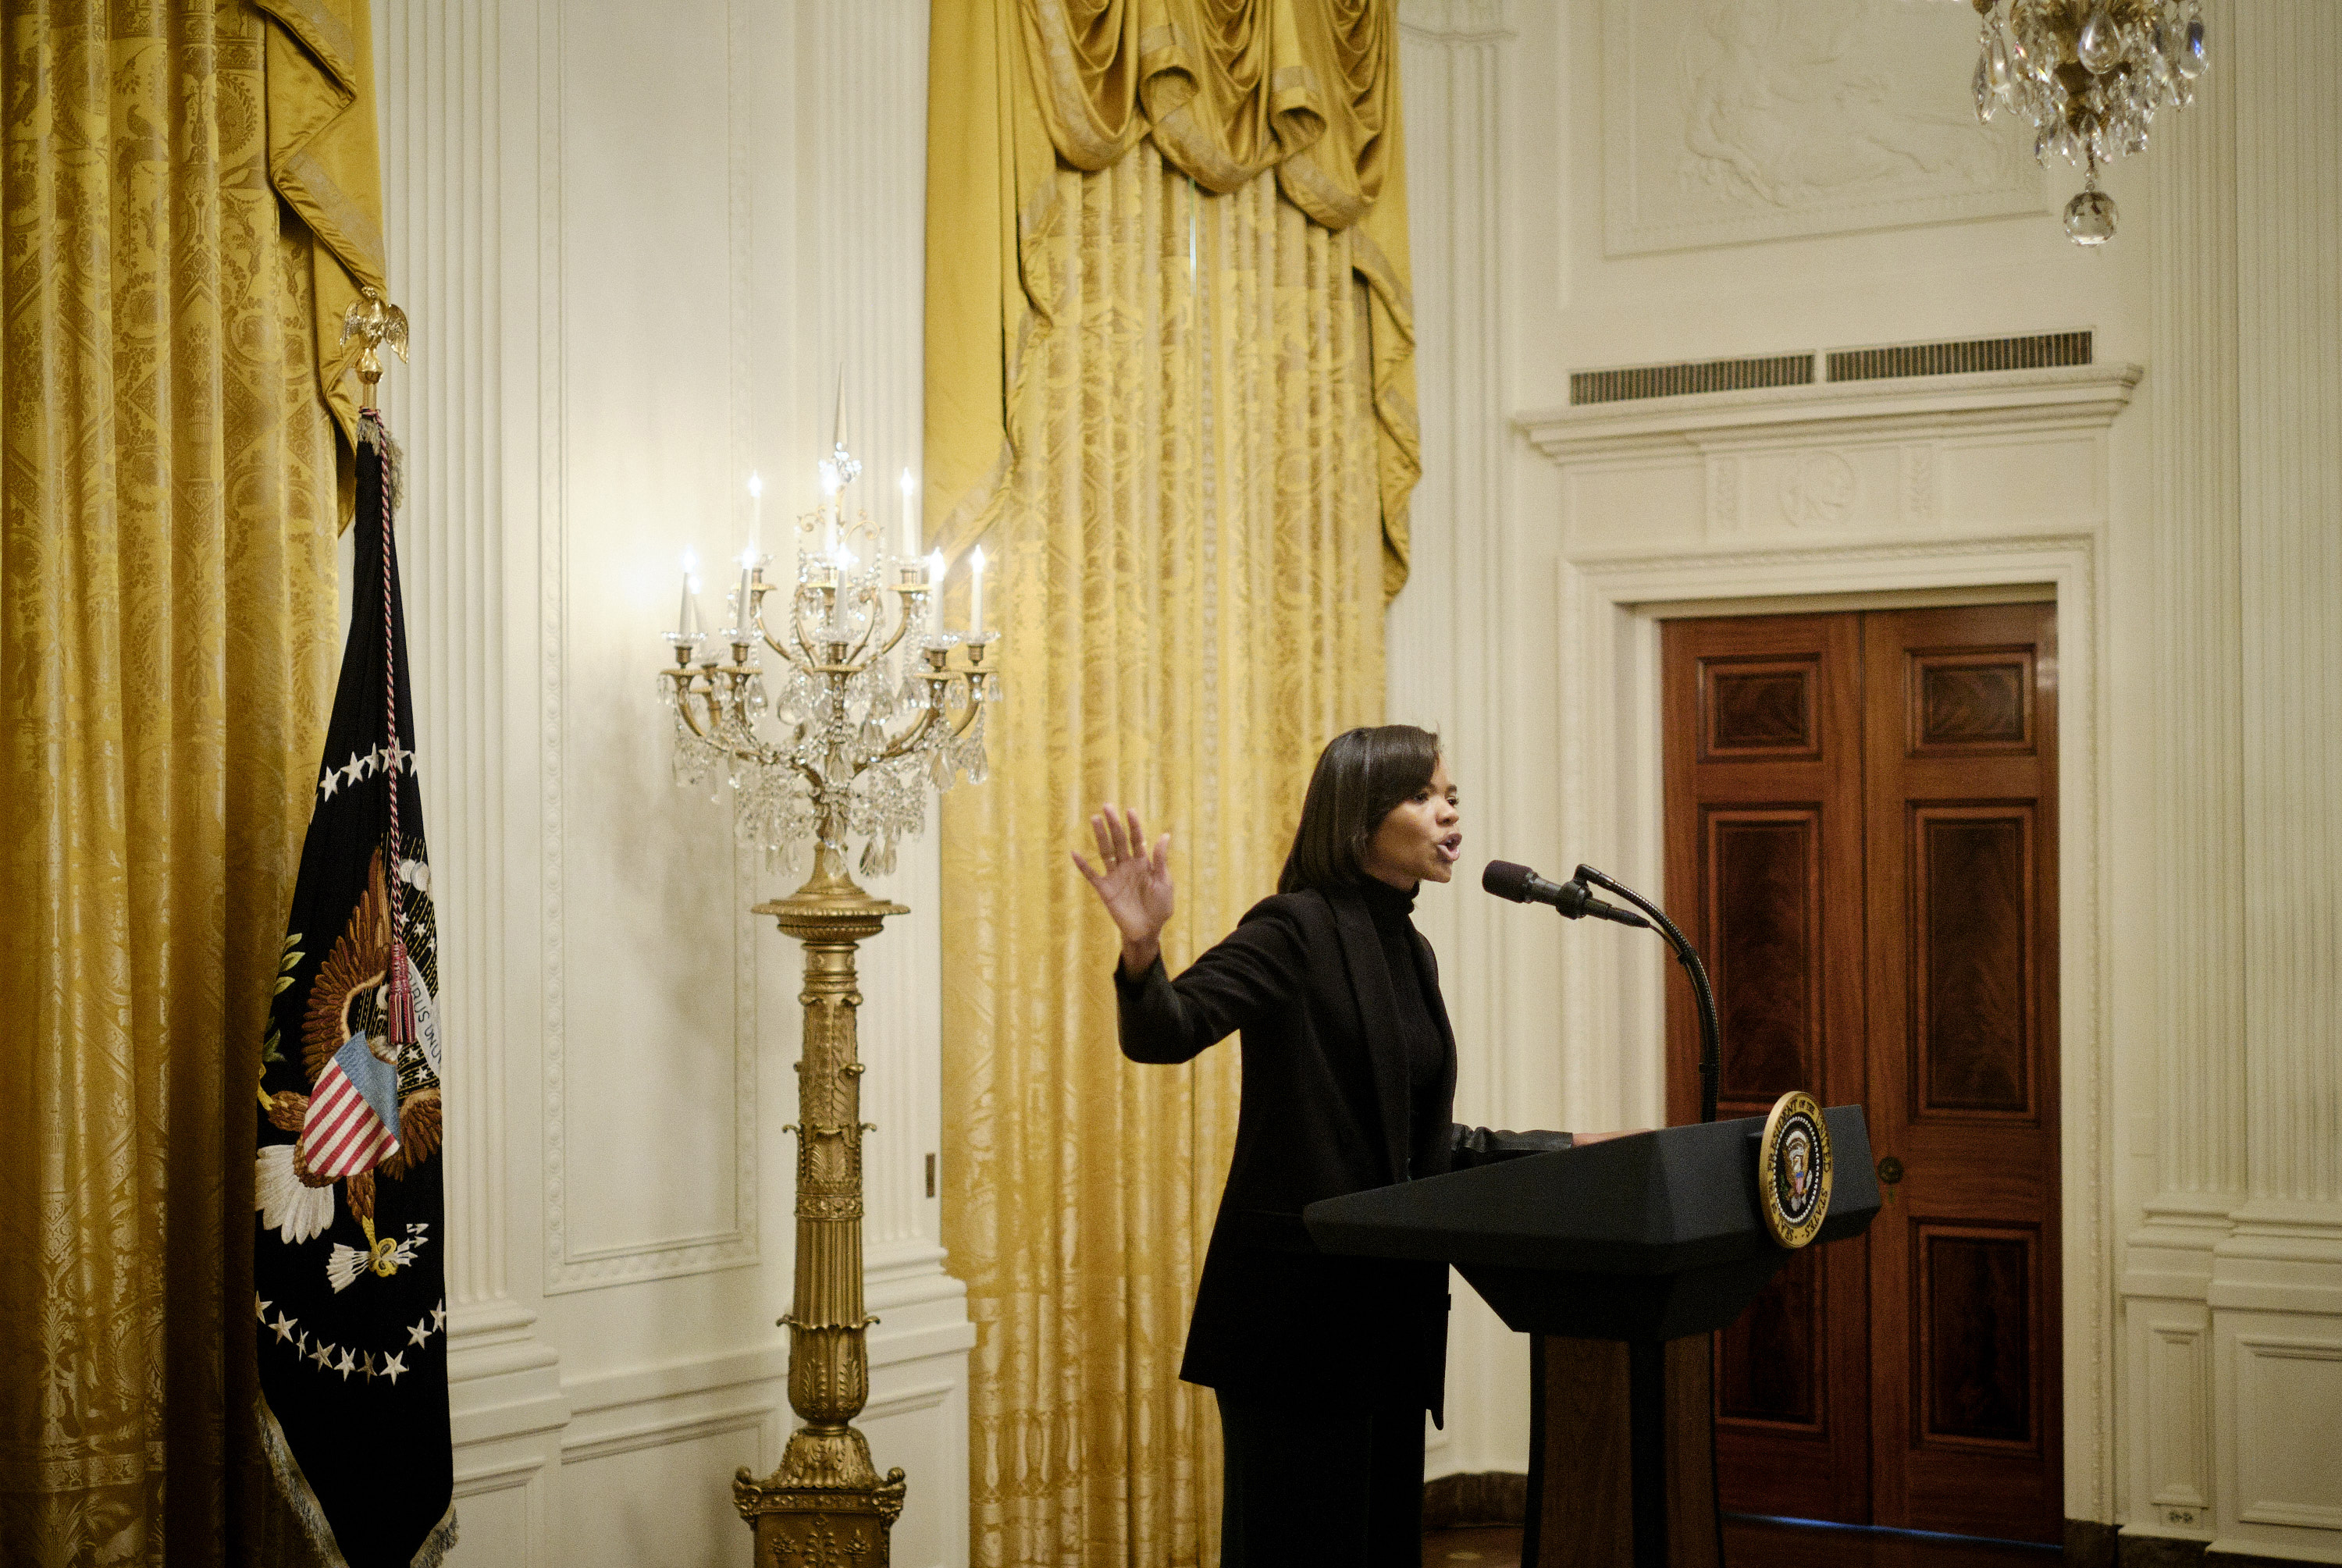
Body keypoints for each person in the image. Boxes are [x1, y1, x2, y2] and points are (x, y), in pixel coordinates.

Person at [1073, 724, 1571, 1567]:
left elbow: (1414, 1144)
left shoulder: (1411, 950)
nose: (1449, 812)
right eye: (1425, 795)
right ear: (1360, 814)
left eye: (1453, 796)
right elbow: (1168, 1029)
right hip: (1296, 1324)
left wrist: (1566, 1147)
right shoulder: (1295, 927)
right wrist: (1142, 947)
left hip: (1389, 1315)